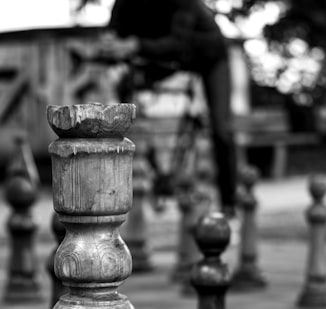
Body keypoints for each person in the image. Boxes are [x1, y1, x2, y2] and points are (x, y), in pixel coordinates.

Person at [100, 0, 238, 214]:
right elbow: (114, 31)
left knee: (221, 129)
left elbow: (178, 43)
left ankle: (229, 202)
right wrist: (109, 43)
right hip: (164, 57)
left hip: (209, 56)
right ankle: (133, 185)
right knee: (121, 103)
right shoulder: (124, 4)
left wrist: (135, 45)